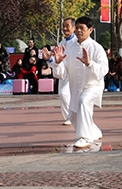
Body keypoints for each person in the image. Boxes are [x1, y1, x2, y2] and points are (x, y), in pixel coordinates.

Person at [43, 16, 109, 149]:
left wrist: (90, 63)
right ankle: (94, 131)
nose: (78, 31)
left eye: (82, 28)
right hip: (75, 86)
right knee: (73, 115)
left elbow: (103, 70)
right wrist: (57, 63)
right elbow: (62, 74)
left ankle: (83, 137)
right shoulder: (70, 47)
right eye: (77, 28)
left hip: (93, 85)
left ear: (90, 30)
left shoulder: (97, 48)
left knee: (84, 101)